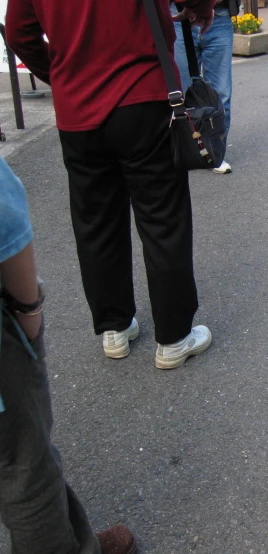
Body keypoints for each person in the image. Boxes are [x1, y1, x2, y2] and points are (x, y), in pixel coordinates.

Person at [6, 0, 214, 370]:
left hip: (77, 108)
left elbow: (18, 30)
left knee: (95, 222)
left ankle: (114, 326)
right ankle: (174, 336)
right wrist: (201, 8)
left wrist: (61, 75)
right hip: (143, 96)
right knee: (162, 218)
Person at [0, 158, 136, 553]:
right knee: (25, 470)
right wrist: (28, 311)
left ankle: (114, 326)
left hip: (81, 123)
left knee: (95, 211)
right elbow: (7, 226)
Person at [171, 0, 240, 175]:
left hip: (220, 15)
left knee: (221, 95)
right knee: (179, 94)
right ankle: (182, 152)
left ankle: (214, 154)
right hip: (179, 15)